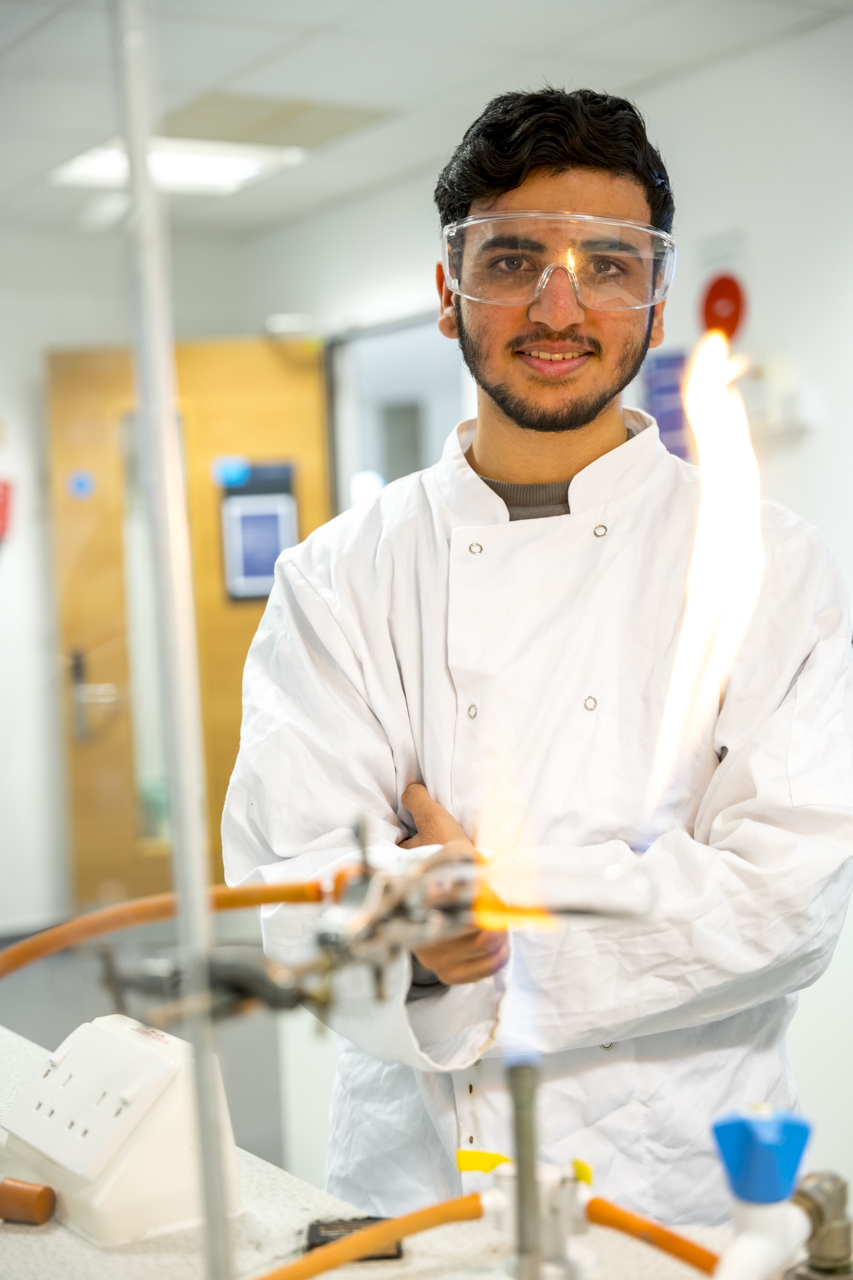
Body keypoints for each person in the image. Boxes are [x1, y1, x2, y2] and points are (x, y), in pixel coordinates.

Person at [222, 88, 853, 1225]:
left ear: (654, 303)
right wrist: (423, 937)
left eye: (607, 265)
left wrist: (474, 901)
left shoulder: (776, 565)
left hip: (680, 1196)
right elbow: (290, 892)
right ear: (447, 290)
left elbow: (783, 900)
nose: (558, 304)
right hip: (413, 1193)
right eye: (512, 258)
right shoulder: (338, 577)